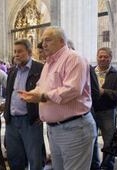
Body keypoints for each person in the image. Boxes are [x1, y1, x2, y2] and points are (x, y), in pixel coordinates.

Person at [19, 26, 97, 170]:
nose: (43, 44)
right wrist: (32, 94)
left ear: (61, 41)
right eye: (43, 41)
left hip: (74, 128)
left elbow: (72, 90)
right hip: (55, 129)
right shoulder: (49, 63)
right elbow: (41, 86)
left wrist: (42, 96)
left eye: (48, 40)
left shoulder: (74, 58)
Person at [3, 39, 44, 170]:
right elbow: (9, 95)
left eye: (20, 51)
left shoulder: (40, 69)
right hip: (12, 122)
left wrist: (40, 115)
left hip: (30, 121)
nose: (16, 54)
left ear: (30, 52)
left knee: (35, 159)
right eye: (15, 52)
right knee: (14, 158)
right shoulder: (12, 71)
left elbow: (45, 93)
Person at [90, 47, 117, 170]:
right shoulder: (90, 71)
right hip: (91, 112)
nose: (102, 59)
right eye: (100, 56)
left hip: (108, 112)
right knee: (92, 140)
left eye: (105, 57)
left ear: (110, 58)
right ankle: (94, 165)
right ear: (97, 57)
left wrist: (104, 92)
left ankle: (107, 166)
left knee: (109, 142)